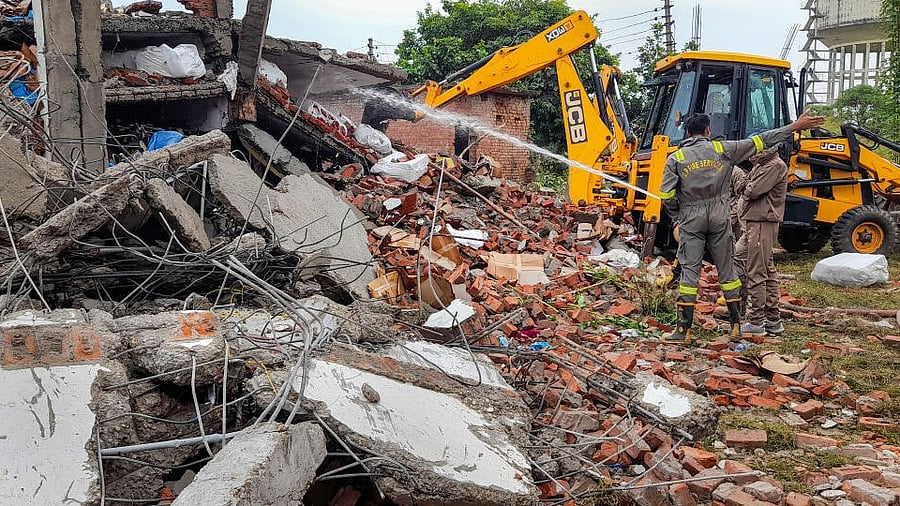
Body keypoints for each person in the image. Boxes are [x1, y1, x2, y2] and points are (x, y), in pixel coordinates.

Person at [659, 111, 825, 343]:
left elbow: (666, 194)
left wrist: (679, 213)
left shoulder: (676, 158)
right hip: (720, 216)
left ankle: (683, 331)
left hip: (691, 217)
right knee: (728, 270)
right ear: (708, 131)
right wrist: (793, 126)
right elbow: (763, 139)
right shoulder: (724, 149)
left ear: (687, 132)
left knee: (689, 272)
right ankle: (736, 327)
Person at [735, 146, 789, 336]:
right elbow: (747, 185)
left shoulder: (774, 166)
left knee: (758, 271)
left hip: (762, 223)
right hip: (753, 222)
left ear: (767, 150)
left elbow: (753, 190)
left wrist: (744, 184)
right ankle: (772, 319)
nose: (751, 155)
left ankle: (757, 321)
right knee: (739, 258)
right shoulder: (762, 165)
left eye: (756, 150)